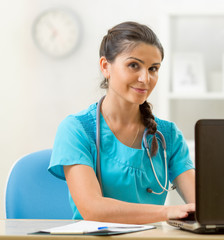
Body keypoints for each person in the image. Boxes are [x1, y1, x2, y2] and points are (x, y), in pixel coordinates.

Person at [48, 21, 195, 224]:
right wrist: (166, 212)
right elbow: (92, 209)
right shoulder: (77, 129)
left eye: (153, 68)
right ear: (105, 66)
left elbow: (202, 204)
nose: (145, 78)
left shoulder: (168, 136)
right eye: (134, 65)